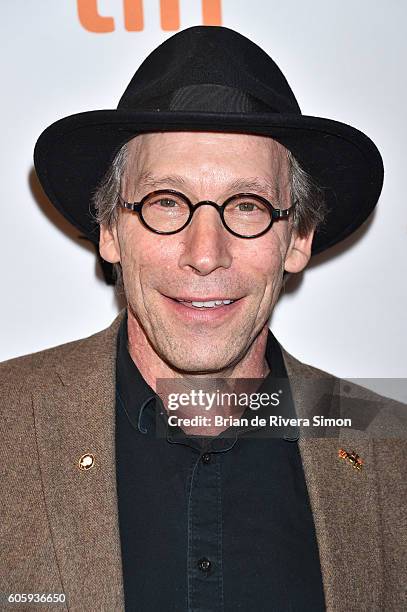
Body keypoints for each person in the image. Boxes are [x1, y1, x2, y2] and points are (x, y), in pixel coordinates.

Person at [1, 25, 405, 612]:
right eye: (168, 201)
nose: (205, 253)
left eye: (248, 206)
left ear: (298, 239)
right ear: (111, 230)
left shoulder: (386, 446)